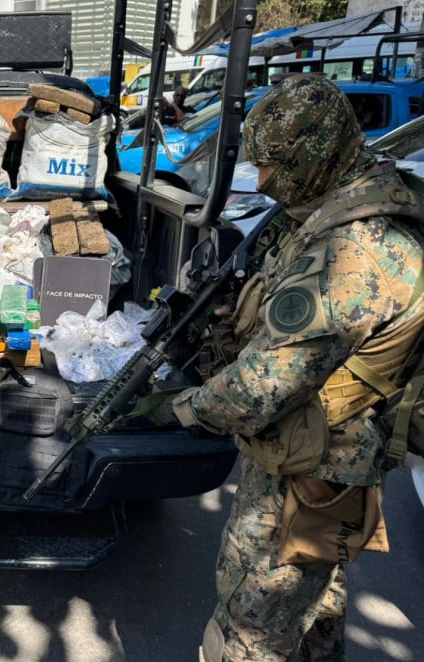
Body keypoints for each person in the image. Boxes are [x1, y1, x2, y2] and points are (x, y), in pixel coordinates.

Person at [145, 75, 424, 659]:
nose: (264, 181)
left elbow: (261, 387)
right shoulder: (352, 197)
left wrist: (178, 408)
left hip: (310, 461)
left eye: (274, 166)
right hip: (338, 456)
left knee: (251, 626)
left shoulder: (355, 251)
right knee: (315, 603)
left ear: (315, 155)